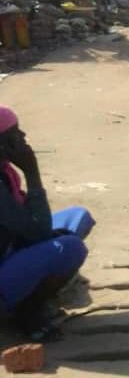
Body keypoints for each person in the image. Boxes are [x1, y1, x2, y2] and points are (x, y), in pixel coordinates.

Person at [0, 106, 95, 340]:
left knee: (77, 216)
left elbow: (28, 220)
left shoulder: (5, 172)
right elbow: (39, 233)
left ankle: (30, 289)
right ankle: (26, 312)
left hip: (9, 245)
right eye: (14, 133)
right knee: (70, 248)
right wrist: (33, 173)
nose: (23, 136)